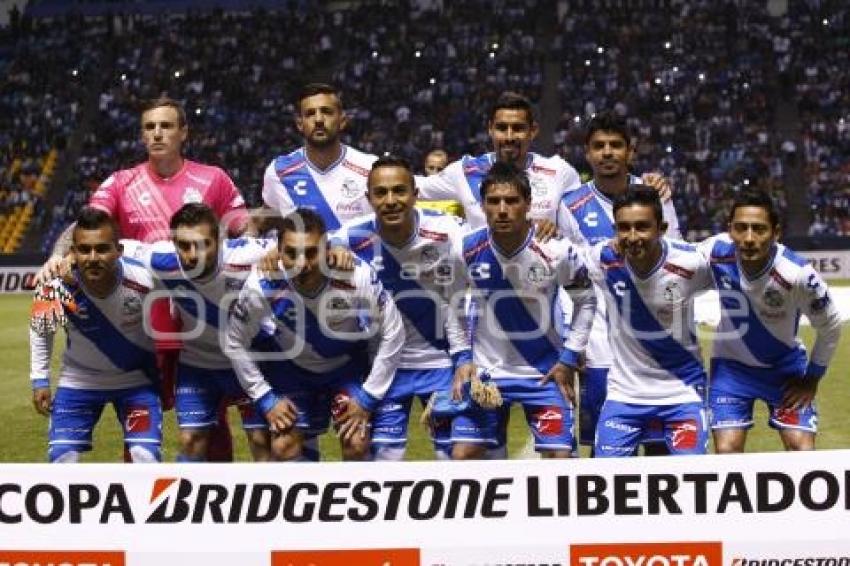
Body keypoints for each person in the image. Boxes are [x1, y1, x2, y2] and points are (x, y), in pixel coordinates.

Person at [39, 96, 248, 462]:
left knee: (208, 419)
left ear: (184, 132)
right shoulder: (122, 183)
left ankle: (213, 496)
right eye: (149, 127)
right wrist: (59, 255)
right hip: (142, 324)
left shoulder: (213, 179)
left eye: (166, 126)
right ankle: (139, 494)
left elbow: (242, 231)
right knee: (136, 416)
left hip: (198, 321)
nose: (157, 133)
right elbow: (85, 224)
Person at [333, 156, 492, 460]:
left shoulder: (447, 230)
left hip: (443, 363)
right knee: (383, 463)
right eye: (381, 193)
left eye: (399, 191)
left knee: (458, 458)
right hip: (386, 367)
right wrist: (328, 250)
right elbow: (302, 246)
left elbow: (492, 247)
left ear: (415, 194)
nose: (390, 201)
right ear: (368, 198)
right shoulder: (350, 237)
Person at [226, 208, 405, 461]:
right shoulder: (262, 283)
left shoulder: (355, 273)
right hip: (292, 372)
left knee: (356, 441)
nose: (302, 264)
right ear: (278, 251)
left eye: (312, 252)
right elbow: (235, 341)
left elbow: (393, 330)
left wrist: (368, 396)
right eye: (292, 253)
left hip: (345, 369)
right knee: (283, 448)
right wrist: (265, 397)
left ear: (327, 249)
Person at [557, 111, 680, 455]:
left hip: (653, 342)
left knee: (660, 450)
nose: (607, 152)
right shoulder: (570, 204)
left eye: (615, 145)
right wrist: (573, 338)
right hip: (599, 344)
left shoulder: (655, 195)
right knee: (605, 451)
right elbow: (568, 276)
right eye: (599, 146)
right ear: (588, 152)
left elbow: (677, 257)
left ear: (630, 152)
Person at [458, 163, 596, 458]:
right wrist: (462, 358)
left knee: (560, 463)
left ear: (528, 204)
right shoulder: (465, 249)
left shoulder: (557, 250)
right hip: (487, 373)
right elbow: (449, 304)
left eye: (512, 201)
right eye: (494, 201)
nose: (503, 209)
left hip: (545, 372)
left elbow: (587, 301)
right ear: (482, 206)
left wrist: (570, 356)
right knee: (464, 456)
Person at [122, 203, 276, 461]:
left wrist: (285, 252)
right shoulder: (161, 261)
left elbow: (304, 245)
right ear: (173, 243)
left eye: (204, 244)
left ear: (220, 240)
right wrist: (62, 257)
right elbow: (111, 244)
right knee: (191, 440)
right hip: (197, 366)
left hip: (250, 363)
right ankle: (186, 500)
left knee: (261, 441)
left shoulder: (245, 256)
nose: (193, 254)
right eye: (184, 245)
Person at [700, 191, 843, 452]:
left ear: (775, 233)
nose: (749, 238)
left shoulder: (797, 274)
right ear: (730, 229)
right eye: (741, 228)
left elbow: (831, 325)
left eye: (759, 229)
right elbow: (672, 265)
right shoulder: (715, 252)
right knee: (726, 451)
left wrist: (812, 378)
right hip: (731, 370)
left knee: (802, 451)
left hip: (784, 370)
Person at [582, 188, 712, 457]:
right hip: (624, 396)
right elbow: (556, 263)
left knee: (691, 482)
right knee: (605, 484)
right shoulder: (603, 259)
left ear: (662, 228)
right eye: (624, 228)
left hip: (682, 394)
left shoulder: (691, 263)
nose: (632, 237)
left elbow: (740, 272)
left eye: (642, 227)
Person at [29, 208, 162, 463]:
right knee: (61, 458)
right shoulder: (54, 286)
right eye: (84, 250)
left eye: (102, 249)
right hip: (79, 381)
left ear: (118, 251)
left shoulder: (145, 278)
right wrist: (39, 380)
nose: (92, 257)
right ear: (72, 253)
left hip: (135, 382)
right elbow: (40, 330)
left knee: (145, 457)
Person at [414, 91, 581, 231]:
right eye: (501, 128)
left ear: (533, 131)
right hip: (483, 268)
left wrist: (558, 230)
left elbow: (580, 225)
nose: (509, 137)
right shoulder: (465, 171)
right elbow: (412, 186)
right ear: (490, 129)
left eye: (518, 128)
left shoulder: (560, 172)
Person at [259, 83, 378, 232]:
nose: (319, 119)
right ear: (299, 124)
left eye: (326, 112)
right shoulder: (278, 172)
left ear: (342, 121)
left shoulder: (372, 168)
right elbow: (262, 221)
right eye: (310, 113)